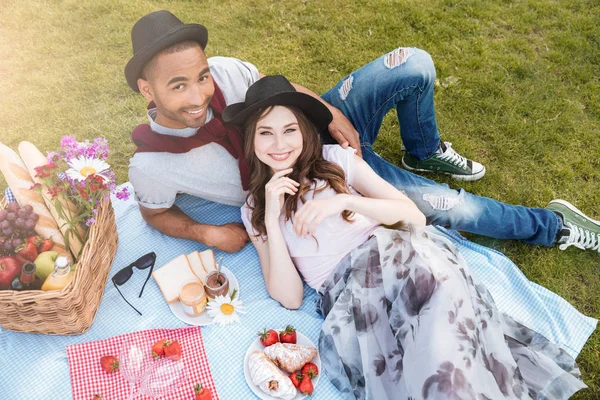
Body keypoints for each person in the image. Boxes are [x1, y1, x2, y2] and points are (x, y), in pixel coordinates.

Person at [224, 75, 588, 399]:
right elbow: (289, 298)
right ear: (251, 139)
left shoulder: (335, 161)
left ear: (304, 130)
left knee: (442, 338)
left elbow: (411, 215)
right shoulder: (255, 209)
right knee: (413, 369)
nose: (279, 144)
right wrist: (272, 218)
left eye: (289, 129)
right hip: (353, 300)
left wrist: (345, 202)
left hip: (401, 257)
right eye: (265, 132)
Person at [124, 10, 600, 254]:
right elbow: (154, 214)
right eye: (178, 85)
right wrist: (205, 233)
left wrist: (329, 112)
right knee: (450, 207)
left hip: (306, 123)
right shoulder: (151, 164)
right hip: (319, 172)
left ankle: (424, 149)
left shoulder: (225, 72)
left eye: (201, 77)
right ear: (147, 88)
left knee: (412, 63)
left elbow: (279, 87)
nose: (199, 95)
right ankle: (552, 226)